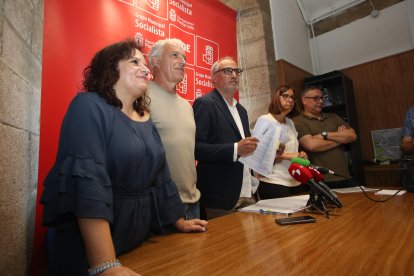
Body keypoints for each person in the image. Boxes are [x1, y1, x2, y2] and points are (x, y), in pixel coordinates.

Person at [40, 39, 207, 276]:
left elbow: (160, 176)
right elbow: (88, 186)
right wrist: (105, 264)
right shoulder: (88, 106)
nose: (146, 68)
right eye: (134, 61)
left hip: (136, 241)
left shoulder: (144, 116)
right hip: (91, 249)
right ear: (110, 69)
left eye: (144, 62)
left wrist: (178, 220)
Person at [193, 56, 259, 220]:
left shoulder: (242, 110)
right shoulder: (205, 104)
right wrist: (236, 149)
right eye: (228, 71)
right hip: (220, 197)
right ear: (214, 78)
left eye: (237, 71)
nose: (234, 75)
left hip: (246, 191)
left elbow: (246, 149)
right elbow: (196, 148)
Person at [147, 38, 201, 219]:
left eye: (184, 57)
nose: (183, 61)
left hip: (194, 202)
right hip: (161, 205)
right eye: (174, 55)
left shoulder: (187, 106)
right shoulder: (141, 97)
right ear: (155, 62)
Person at [292, 85, 357, 189]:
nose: (321, 101)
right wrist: (340, 139)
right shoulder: (297, 121)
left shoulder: (334, 117)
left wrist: (325, 135)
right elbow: (311, 145)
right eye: (316, 98)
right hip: (320, 180)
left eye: (322, 98)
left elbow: (352, 135)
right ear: (304, 100)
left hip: (345, 177)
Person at [255, 85, 308, 199]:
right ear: (276, 98)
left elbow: (293, 149)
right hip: (273, 181)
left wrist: (300, 155)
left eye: (292, 98)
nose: (290, 100)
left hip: (294, 179)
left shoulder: (290, 122)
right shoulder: (265, 120)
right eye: (285, 96)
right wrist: (290, 156)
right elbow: (259, 154)